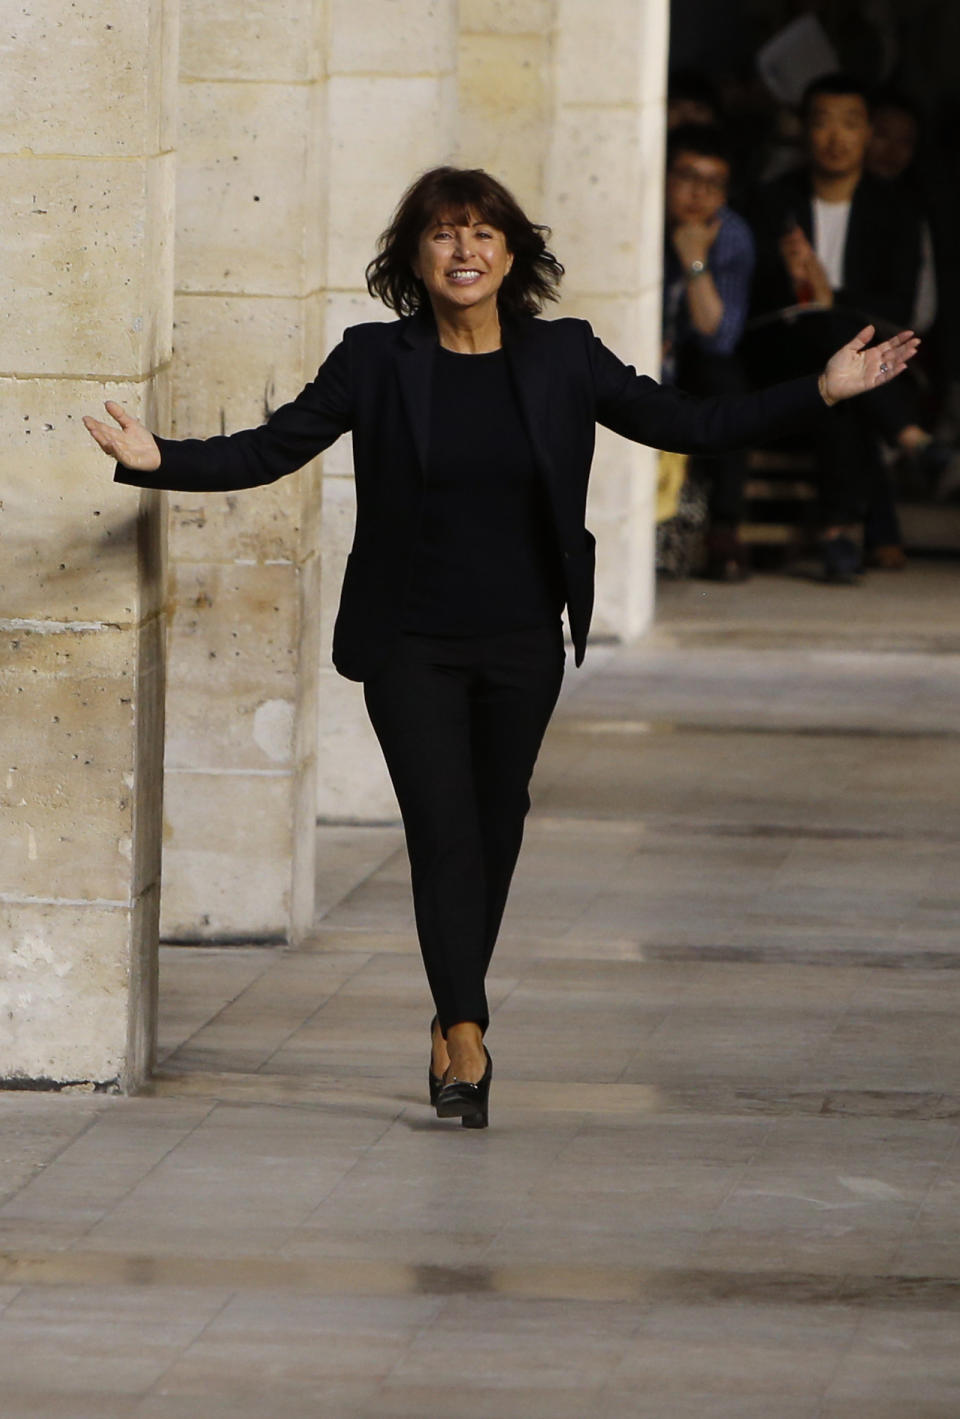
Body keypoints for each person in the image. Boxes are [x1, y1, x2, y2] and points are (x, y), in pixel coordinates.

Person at [83, 166, 917, 1127]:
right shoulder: (374, 360)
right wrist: (160, 461)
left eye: (482, 233)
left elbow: (688, 421)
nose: (465, 250)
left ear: (513, 253)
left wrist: (821, 387)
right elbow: (271, 449)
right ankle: (465, 1031)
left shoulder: (563, 356)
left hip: (523, 639)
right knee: (444, 829)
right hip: (408, 643)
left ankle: (451, 1015)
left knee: (497, 823)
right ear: (415, 258)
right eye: (443, 235)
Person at [748, 72, 927, 578]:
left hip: (863, 360)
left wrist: (834, 299)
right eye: (823, 122)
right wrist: (796, 287)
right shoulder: (770, 200)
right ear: (804, 130)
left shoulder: (897, 209)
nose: (836, 137)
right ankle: (912, 441)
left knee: (842, 382)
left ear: (869, 132)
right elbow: (753, 300)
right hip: (781, 351)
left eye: (850, 123)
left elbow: (900, 306)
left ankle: (838, 534)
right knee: (834, 350)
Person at [663, 124, 756, 579]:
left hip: (692, 361)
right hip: (635, 355)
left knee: (725, 383)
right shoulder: (640, 218)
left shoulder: (731, 234)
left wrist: (694, 261)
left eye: (712, 183)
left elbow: (717, 335)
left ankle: (724, 528)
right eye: (686, 177)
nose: (698, 194)